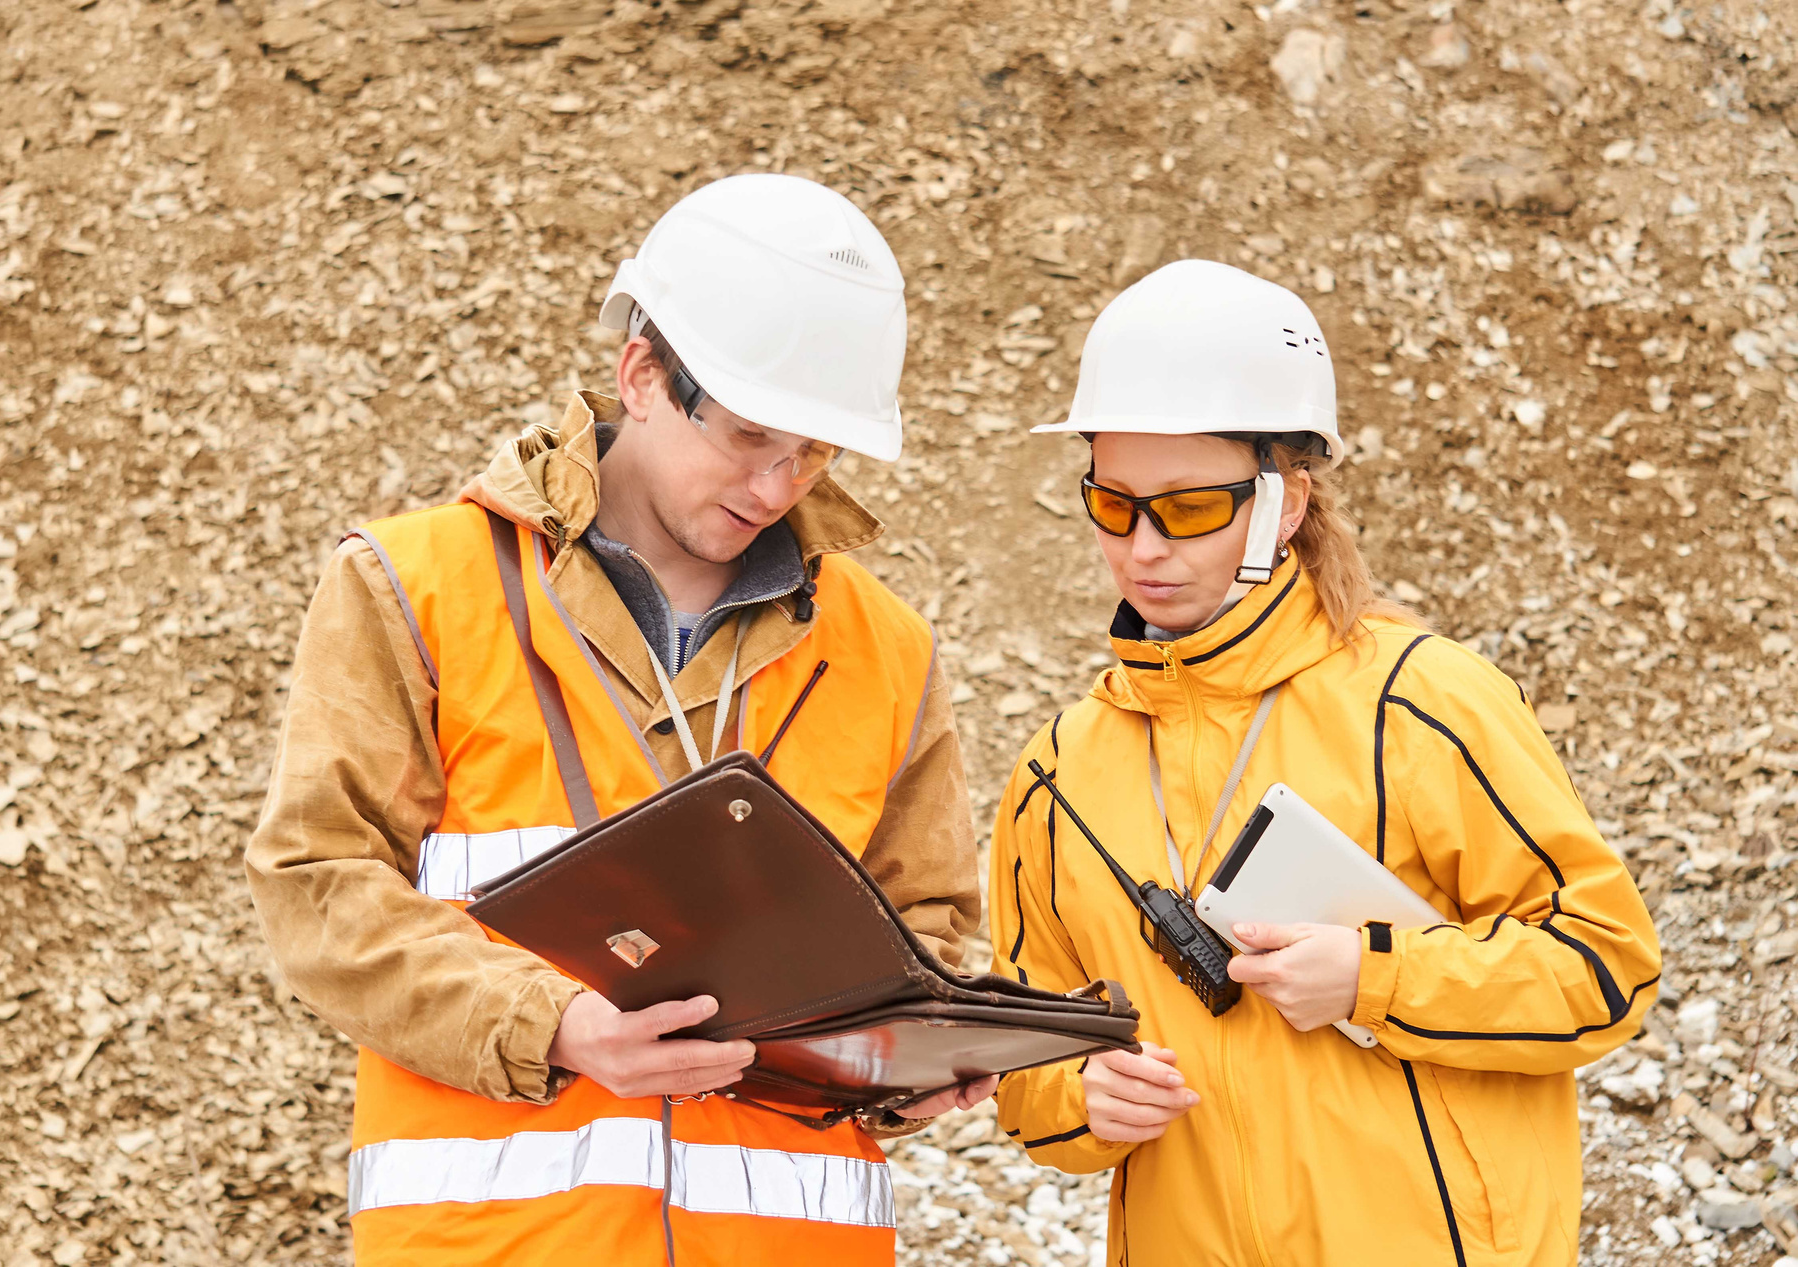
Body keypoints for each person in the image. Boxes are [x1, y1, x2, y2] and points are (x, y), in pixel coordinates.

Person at [247, 173, 996, 1266]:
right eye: (750, 436)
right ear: (641, 373)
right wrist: (555, 1026)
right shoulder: (415, 587)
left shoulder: (883, 648)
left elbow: (922, 933)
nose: (780, 485)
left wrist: (909, 1065)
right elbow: (317, 888)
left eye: (816, 454)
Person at [989, 259, 1661, 1266]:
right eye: (1112, 502)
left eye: (1187, 508)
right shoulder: (1054, 777)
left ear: (1286, 500)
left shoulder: (1423, 704)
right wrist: (1079, 1099)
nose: (1141, 547)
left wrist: (1373, 978)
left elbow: (1605, 967)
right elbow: (1018, 1074)